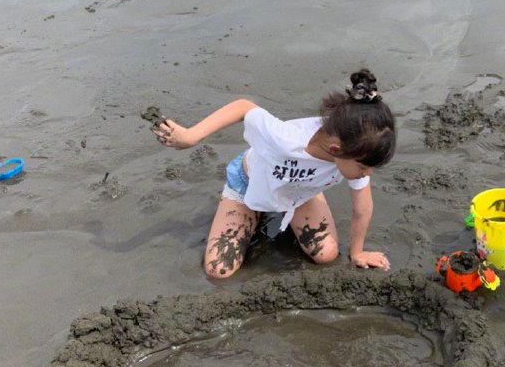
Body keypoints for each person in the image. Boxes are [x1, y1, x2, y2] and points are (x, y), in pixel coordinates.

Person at [153, 69, 396, 280]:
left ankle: (293, 208)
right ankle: (253, 212)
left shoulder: (356, 151)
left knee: (326, 254)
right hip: (249, 185)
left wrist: (357, 253)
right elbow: (243, 107)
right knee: (219, 269)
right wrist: (191, 136)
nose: (367, 173)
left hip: (299, 193)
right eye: (364, 168)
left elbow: (362, 208)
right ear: (336, 151)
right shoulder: (285, 139)